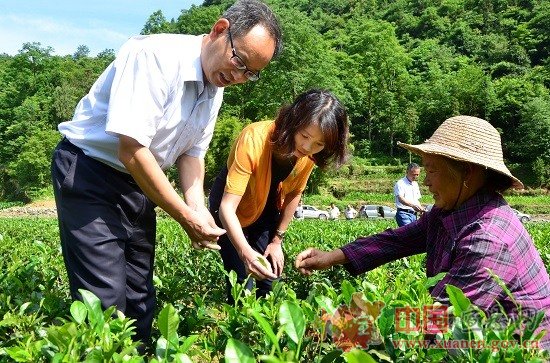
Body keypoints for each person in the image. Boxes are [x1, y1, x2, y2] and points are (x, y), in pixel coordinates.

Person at [50, 0, 282, 346]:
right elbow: (132, 149)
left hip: (139, 183)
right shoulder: (154, 57)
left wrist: (197, 205)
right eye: (239, 61)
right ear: (220, 30)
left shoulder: (214, 87)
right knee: (104, 300)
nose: (238, 77)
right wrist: (186, 216)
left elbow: (192, 154)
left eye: (250, 73)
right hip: (90, 174)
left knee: (140, 297)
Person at [295, 115, 550, 350]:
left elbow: (438, 321)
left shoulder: (488, 240)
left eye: (433, 170)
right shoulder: (453, 209)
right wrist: (332, 257)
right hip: (478, 331)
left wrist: (339, 325)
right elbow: (399, 240)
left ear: (467, 172)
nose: (426, 181)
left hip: (520, 348)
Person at [209, 89, 349, 303]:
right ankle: (240, 328)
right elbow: (227, 207)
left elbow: (294, 193)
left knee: (271, 280)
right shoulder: (254, 137)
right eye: (304, 136)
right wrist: (245, 251)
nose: (307, 147)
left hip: (265, 207)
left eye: (319, 144)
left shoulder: (310, 155)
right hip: (230, 206)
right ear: (293, 121)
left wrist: (277, 241)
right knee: (241, 282)